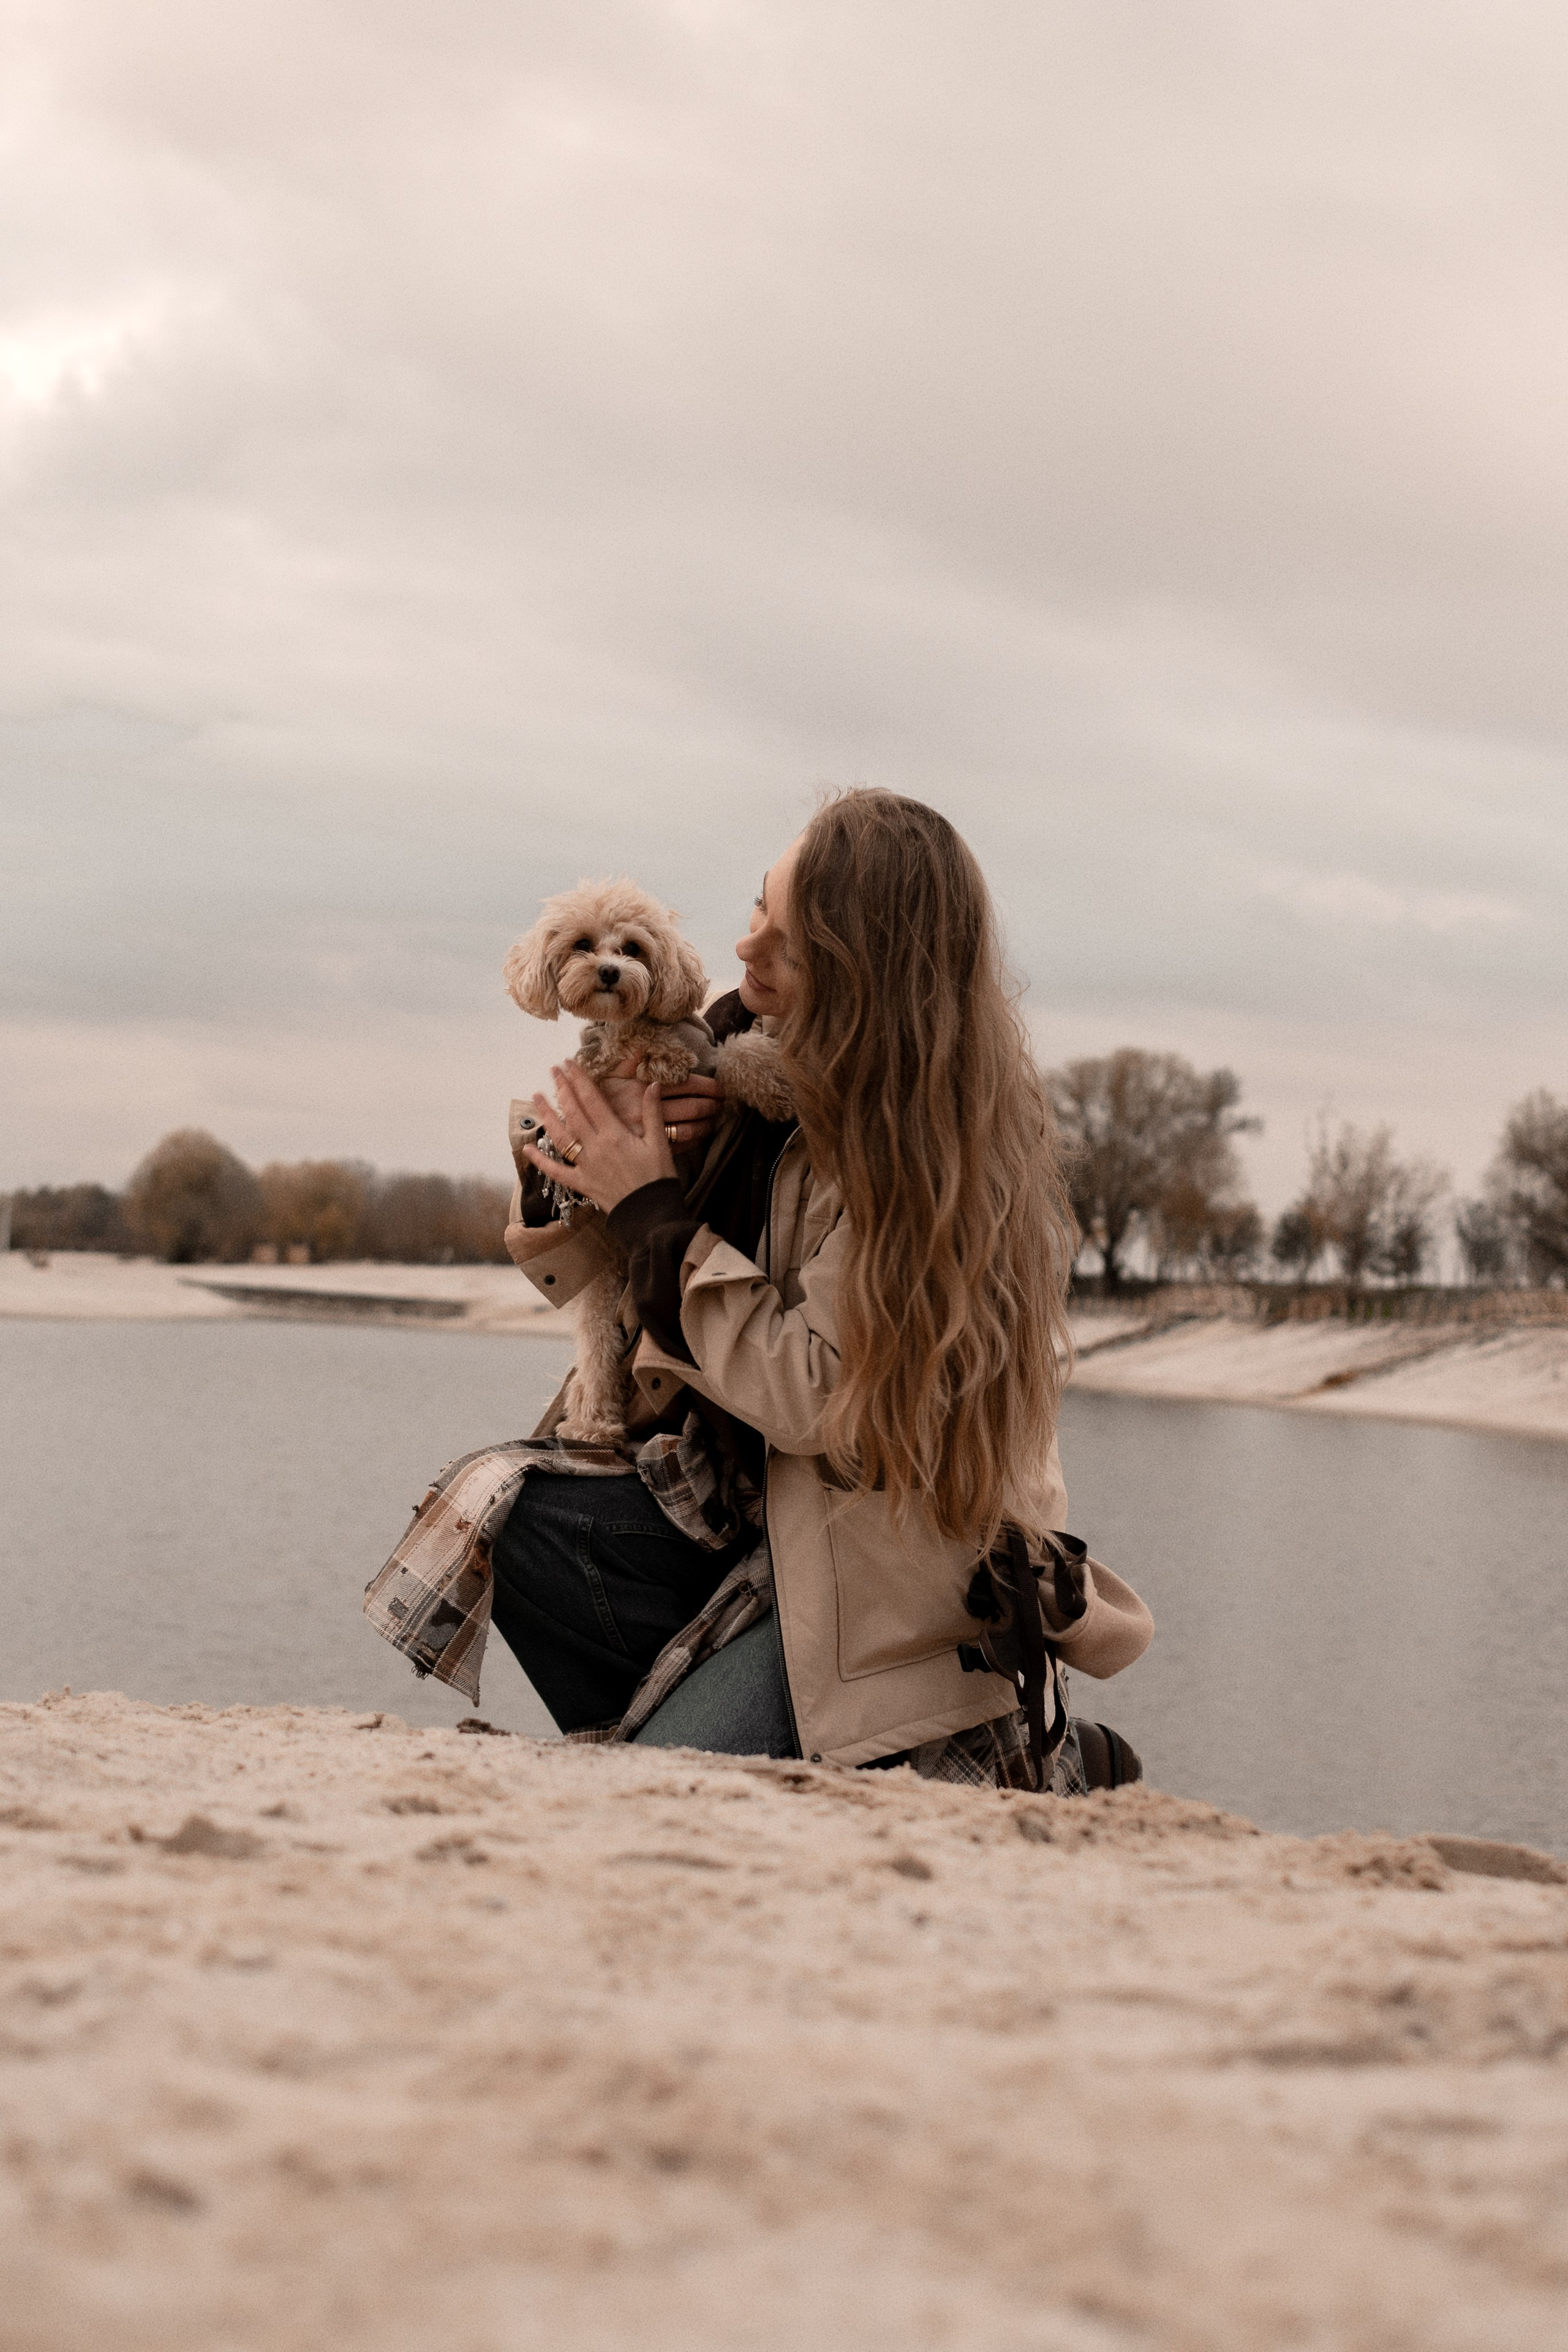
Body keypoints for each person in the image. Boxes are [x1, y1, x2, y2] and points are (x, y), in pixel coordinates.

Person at [490, 790, 1152, 1784]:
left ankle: (1022, 1752)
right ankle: (674, 1712)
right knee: (510, 1513)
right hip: (758, 1516)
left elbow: (813, 1395)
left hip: (893, 1585)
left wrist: (658, 1214)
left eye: (788, 947)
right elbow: (644, 1306)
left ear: (860, 972)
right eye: (758, 908)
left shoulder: (922, 1154)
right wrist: (583, 1182)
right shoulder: (733, 1076)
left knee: (660, 1789)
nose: (747, 949)